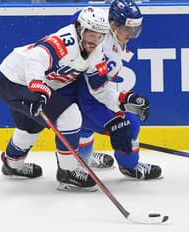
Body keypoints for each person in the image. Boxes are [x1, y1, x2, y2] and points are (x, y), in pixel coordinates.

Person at [0, 6, 110, 190]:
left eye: (100, 36)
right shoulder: (66, 40)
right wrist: (38, 89)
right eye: (91, 34)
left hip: (19, 84)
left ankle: (12, 164)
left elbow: (99, 88)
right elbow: (35, 58)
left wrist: (118, 105)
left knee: (30, 127)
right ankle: (67, 172)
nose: (94, 41)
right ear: (80, 28)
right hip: (16, 81)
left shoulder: (97, 52)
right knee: (69, 115)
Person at [61, 0, 162, 180]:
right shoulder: (107, 52)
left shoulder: (98, 27)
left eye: (134, 30)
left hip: (70, 90)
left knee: (84, 123)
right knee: (129, 124)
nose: (130, 34)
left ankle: (83, 159)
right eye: (126, 29)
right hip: (85, 97)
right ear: (113, 25)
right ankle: (130, 166)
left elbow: (76, 16)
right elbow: (95, 94)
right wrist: (120, 106)